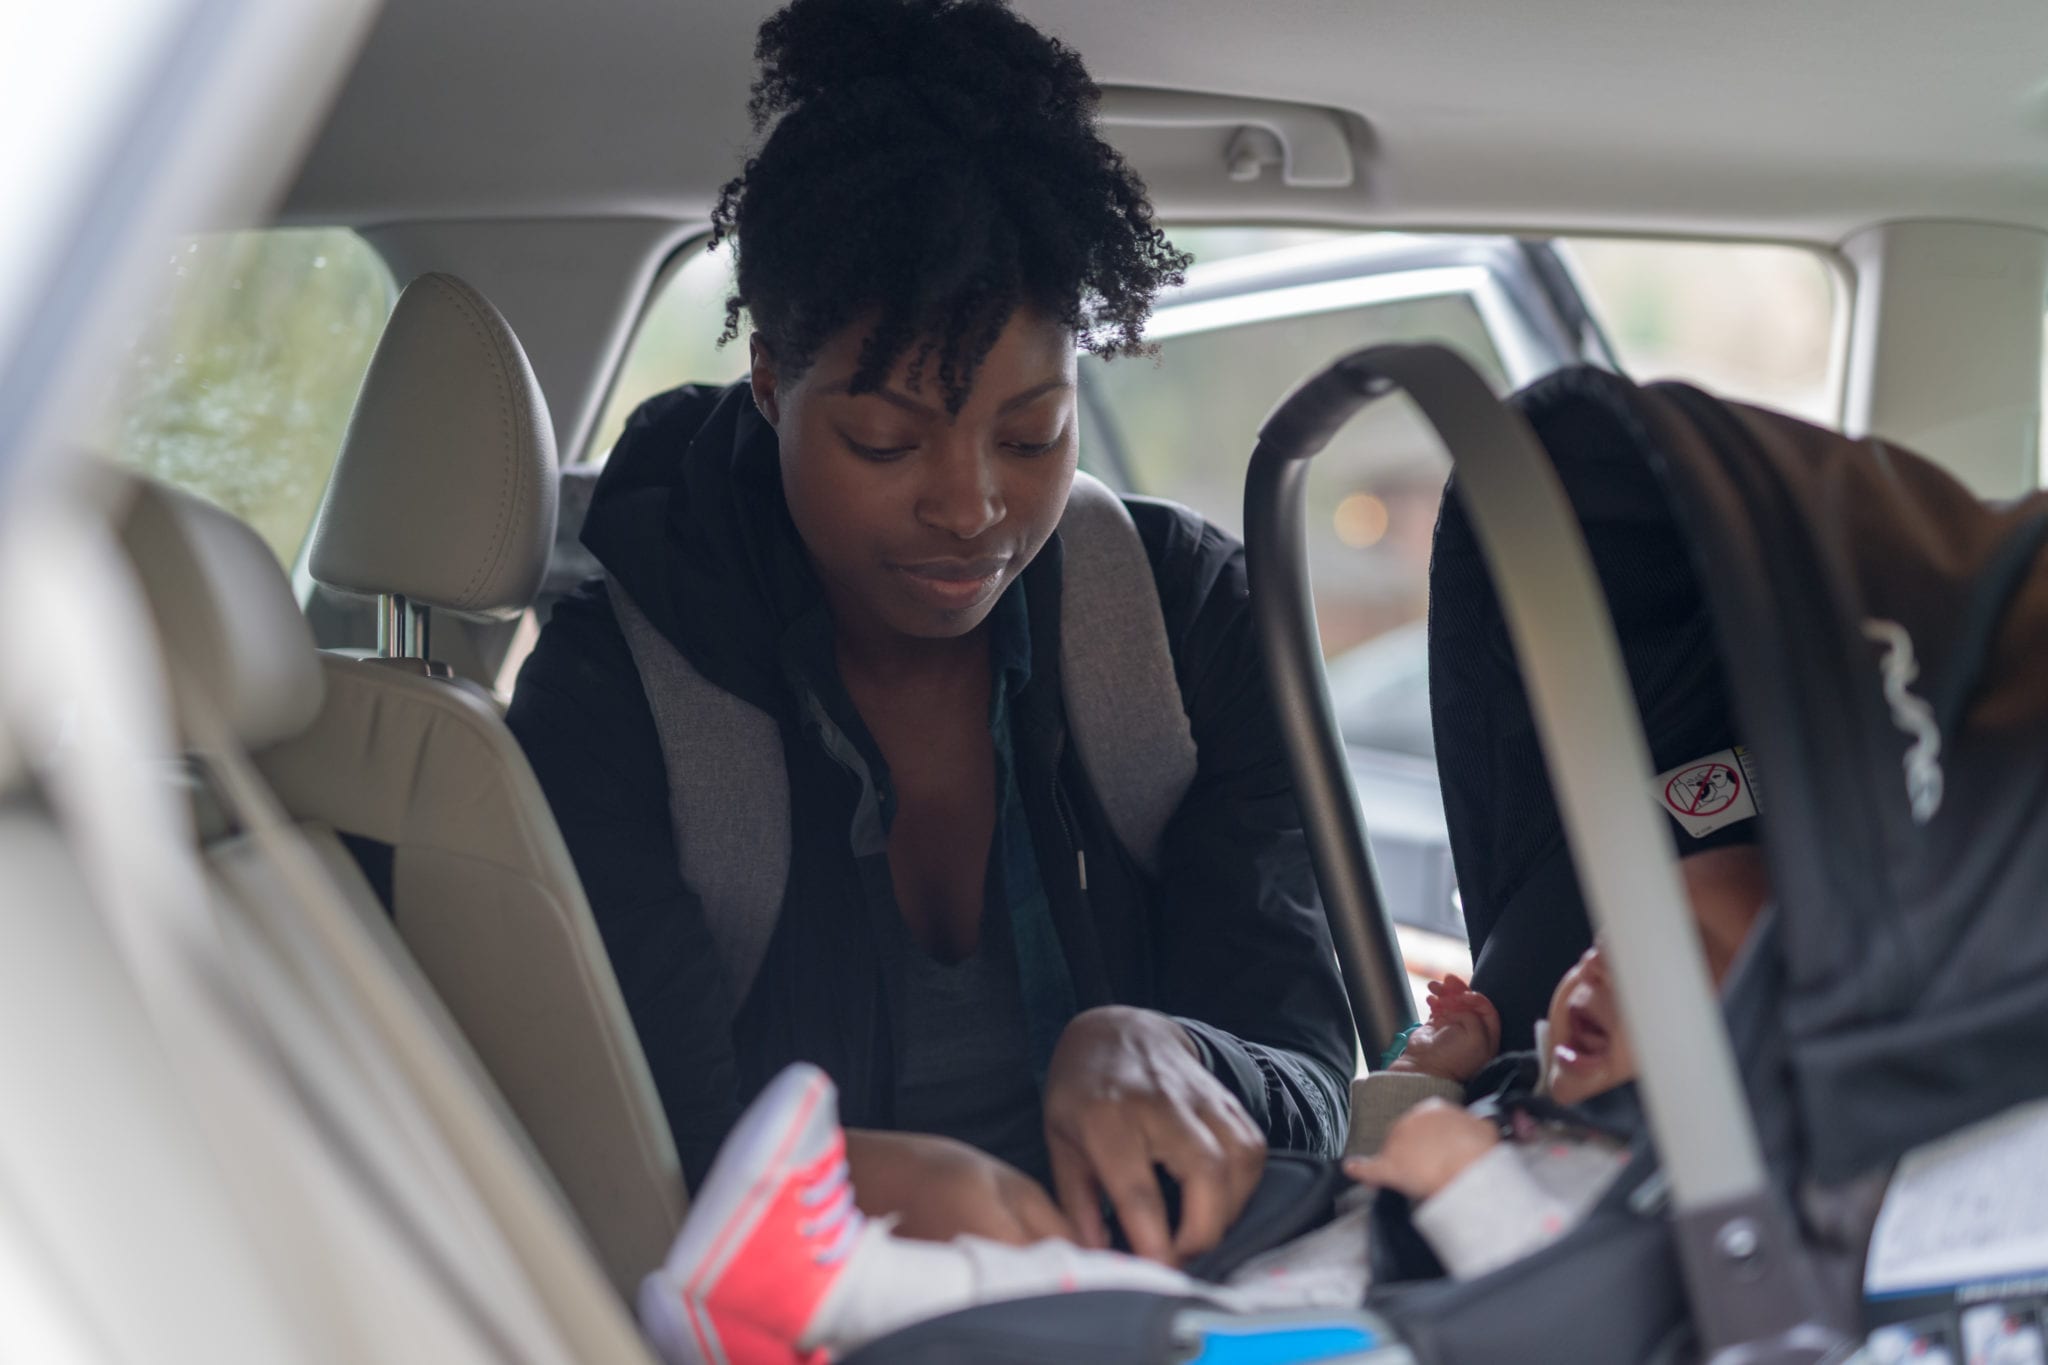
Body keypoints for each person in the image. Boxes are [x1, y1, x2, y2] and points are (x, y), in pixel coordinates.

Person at [506, 0, 1353, 1268]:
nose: (971, 510)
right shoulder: (621, 685)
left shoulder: (1182, 627)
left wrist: (1174, 1050)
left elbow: (1308, 1074)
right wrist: (848, 1187)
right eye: (884, 441)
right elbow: (615, 1139)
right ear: (771, 385)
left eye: (1031, 435)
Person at [635, 842, 1773, 1364]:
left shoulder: (1672, 1205)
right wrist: (1426, 1078)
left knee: (1081, 1306)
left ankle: (835, 1287)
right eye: (1602, 942)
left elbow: (1568, 1325)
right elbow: (1357, 1165)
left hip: (1315, 1342)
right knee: (966, 1197)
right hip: (1261, 1284)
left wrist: (1468, 1180)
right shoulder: (1532, 1109)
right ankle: (777, 1306)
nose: (1598, 972)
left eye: (1674, 960)